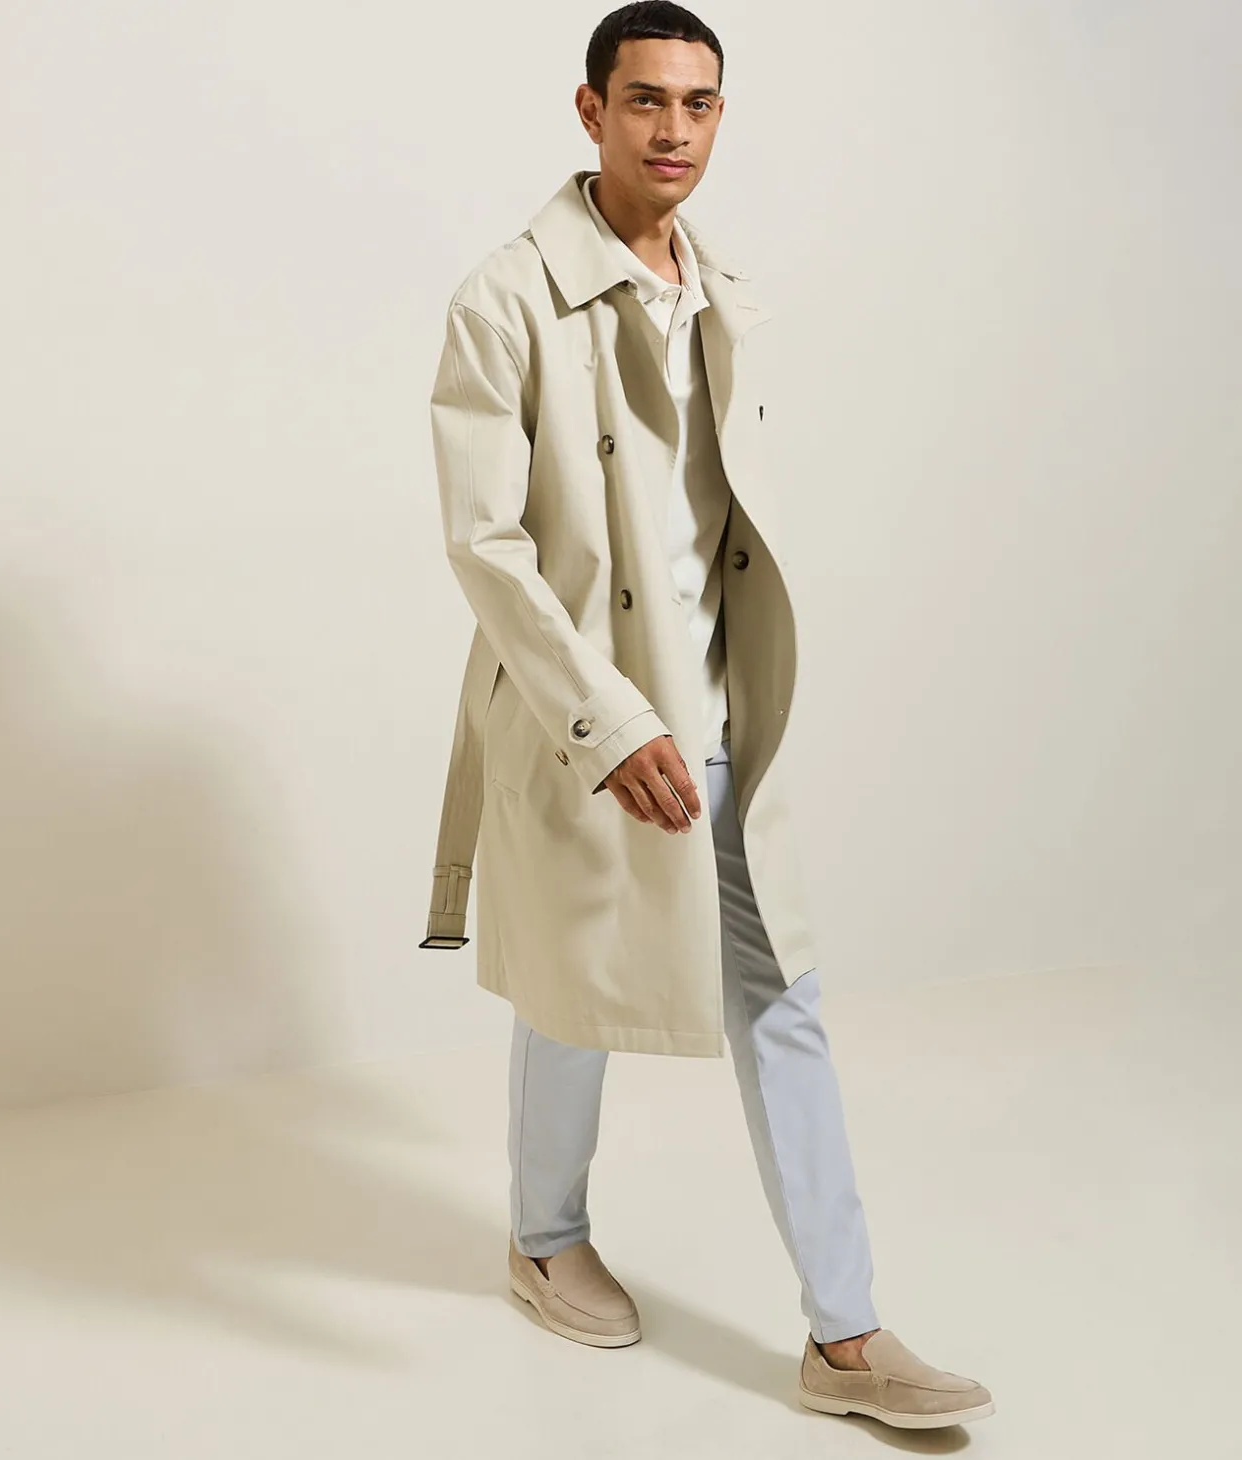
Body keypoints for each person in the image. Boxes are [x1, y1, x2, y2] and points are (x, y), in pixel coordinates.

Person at [420, 2, 993, 1430]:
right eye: (646, 100)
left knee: (782, 992)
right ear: (590, 110)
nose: (674, 129)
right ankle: (544, 1239)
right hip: (586, 709)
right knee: (575, 987)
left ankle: (845, 1336)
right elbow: (485, 545)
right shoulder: (505, 299)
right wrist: (607, 723)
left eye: (699, 103)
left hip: (727, 707)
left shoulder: (724, 290)